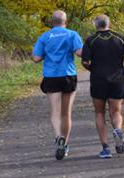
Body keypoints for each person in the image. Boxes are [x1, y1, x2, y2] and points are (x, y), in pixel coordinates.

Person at [81, 14, 124, 159]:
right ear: (109, 24)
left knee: (99, 112)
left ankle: (105, 148)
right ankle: (117, 130)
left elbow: (85, 62)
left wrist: (93, 69)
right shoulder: (120, 38)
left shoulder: (91, 40)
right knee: (116, 111)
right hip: (118, 78)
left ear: (95, 25)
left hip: (98, 79)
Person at [33, 10, 83, 160]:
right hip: (68, 74)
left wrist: (46, 53)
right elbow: (80, 53)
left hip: (51, 76)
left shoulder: (45, 36)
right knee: (66, 112)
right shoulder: (72, 34)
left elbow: (36, 58)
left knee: (55, 112)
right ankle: (65, 144)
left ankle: (58, 136)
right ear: (65, 22)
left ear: (52, 22)